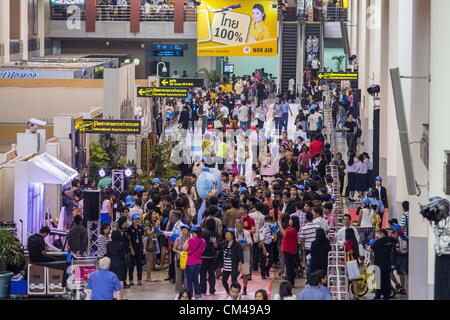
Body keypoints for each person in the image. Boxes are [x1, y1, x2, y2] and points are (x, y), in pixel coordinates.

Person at [370, 229, 396, 300]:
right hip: (387, 264)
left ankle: (377, 296)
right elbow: (395, 239)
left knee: (379, 281)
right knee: (387, 280)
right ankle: (386, 295)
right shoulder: (390, 240)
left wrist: (372, 243)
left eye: (377, 234)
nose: (376, 235)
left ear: (381, 233)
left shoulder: (378, 241)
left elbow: (372, 248)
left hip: (379, 264)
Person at [183, 226, 206, 299]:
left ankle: (190, 295)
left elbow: (184, 248)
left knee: (189, 280)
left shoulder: (190, 240)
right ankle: (198, 294)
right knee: (195, 279)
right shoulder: (203, 241)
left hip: (189, 263)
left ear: (194, 233)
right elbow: (202, 251)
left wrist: (186, 241)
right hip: (198, 262)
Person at [219, 228, 244, 294]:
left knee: (234, 282)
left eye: (228, 234)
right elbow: (217, 247)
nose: (226, 236)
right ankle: (228, 291)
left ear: (232, 235)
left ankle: (236, 293)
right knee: (224, 281)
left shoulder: (237, 245)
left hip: (234, 267)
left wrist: (240, 265)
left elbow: (240, 256)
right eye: (226, 234)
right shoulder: (224, 243)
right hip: (226, 267)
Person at [278, 213, 299, 287]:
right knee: (289, 266)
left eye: (291, 220)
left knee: (290, 266)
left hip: (289, 250)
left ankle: (291, 281)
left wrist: (280, 225)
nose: (289, 221)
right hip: (288, 249)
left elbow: (284, 234)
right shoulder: (289, 228)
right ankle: (290, 280)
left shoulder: (293, 230)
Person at [200, 219, 219, 295]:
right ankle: (212, 289)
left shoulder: (203, 233)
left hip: (203, 256)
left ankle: (203, 289)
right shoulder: (215, 234)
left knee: (203, 274)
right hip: (212, 256)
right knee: (211, 274)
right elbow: (217, 246)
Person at [235, 220, 253, 295]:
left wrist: (245, 244)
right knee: (234, 273)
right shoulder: (232, 232)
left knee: (245, 274)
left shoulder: (246, 233)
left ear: (243, 226)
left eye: (240, 226)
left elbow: (251, 243)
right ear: (235, 225)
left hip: (245, 254)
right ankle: (235, 288)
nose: (239, 228)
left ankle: (244, 288)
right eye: (237, 226)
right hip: (235, 256)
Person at [127, 214, 145, 286]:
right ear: (132, 220)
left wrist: (144, 248)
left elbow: (142, 238)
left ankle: (139, 279)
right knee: (132, 264)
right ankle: (131, 280)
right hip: (133, 248)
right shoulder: (130, 229)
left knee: (139, 264)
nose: (137, 220)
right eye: (135, 219)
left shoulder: (141, 228)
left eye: (138, 219)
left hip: (139, 248)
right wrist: (131, 249)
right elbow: (129, 240)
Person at [173, 224, 190, 292]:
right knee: (178, 275)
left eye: (185, 230)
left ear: (188, 231)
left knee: (186, 275)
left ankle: (186, 290)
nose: (183, 231)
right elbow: (173, 248)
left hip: (187, 259)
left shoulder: (190, 239)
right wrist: (179, 252)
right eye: (182, 230)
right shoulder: (178, 239)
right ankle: (178, 291)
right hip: (178, 258)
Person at [344, 228, 360, 299]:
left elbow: (350, 252)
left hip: (349, 262)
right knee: (354, 280)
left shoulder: (348, 242)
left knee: (347, 278)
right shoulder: (355, 241)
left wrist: (344, 252)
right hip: (355, 261)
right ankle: (356, 295)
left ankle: (346, 294)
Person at [259, 215, 276, 279]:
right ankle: (262, 274)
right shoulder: (263, 229)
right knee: (263, 260)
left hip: (270, 244)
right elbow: (261, 240)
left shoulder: (272, 227)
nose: (269, 222)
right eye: (267, 221)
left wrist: (274, 231)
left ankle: (266, 269)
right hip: (264, 245)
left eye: (270, 221)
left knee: (272, 259)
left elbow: (275, 238)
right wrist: (264, 249)